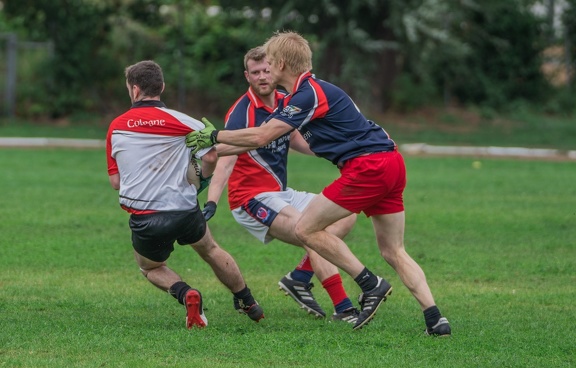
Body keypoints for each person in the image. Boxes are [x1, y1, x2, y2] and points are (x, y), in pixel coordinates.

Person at [187, 32, 451, 335]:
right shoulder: (306, 93)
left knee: (305, 228)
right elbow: (253, 143)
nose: (265, 71)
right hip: (390, 163)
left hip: (366, 167)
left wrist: (214, 136)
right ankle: (435, 319)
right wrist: (210, 148)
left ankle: (370, 284)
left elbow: (260, 136)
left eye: (269, 64)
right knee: (394, 250)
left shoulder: (305, 95)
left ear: (282, 64)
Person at [203, 46, 360, 324]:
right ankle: (344, 308)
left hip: (279, 194)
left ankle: (300, 277)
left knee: (346, 212)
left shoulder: (287, 101)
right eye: (255, 73)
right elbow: (224, 160)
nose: (262, 77)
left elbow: (298, 140)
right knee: (309, 230)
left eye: (266, 70)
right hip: (249, 199)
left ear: (276, 69)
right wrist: (212, 202)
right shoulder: (242, 113)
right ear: (247, 76)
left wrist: (340, 151)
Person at [106, 60, 264, 329]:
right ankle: (247, 300)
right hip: (185, 210)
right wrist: (201, 177)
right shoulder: (185, 122)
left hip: (146, 216)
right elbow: (212, 155)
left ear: (134, 90)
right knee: (211, 249)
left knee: (151, 268)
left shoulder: (117, 127)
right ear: (162, 87)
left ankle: (186, 293)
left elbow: (116, 182)